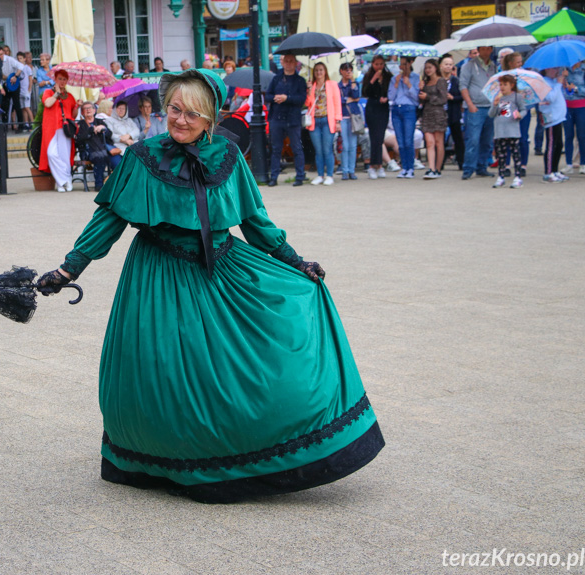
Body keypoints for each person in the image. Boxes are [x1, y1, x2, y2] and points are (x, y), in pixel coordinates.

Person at [34, 68, 383, 504]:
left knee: (254, 360)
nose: (180, 120)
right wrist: (69, 269)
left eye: (193, 114)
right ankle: (167, 458)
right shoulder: (141, 157)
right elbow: (109, 218)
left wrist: (294, 261)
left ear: (211, 117)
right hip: (159, 276)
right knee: (163, 367)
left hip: (222, 269)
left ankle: (240, 458)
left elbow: (254, 221)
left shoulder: (229, 158)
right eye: (174, 110)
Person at [266, 54, 308, 186]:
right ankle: (274, 177)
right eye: (286, 61)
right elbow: (267, 95)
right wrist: (276, 98)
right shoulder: (276, 79)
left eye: (291, 61)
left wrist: (287, 98)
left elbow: (301, 99)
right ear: (282, 63)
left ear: (296, 63)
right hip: (277, 118)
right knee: (276, 149)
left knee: (296, 148)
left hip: (293, 119)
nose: (289, 64)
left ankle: (300, 176)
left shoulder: (300, 80)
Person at [460, 45, 497, 180]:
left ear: (491, 50)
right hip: (475, 107)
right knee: (473, 139)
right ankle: (468, 168)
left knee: (487, 140)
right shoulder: (468, 66)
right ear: (479, 49)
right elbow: (463, 85)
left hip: (490, 106)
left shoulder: (494, 66)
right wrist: (469, 104)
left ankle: (482, 167)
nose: (486, 52)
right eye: (483, 49)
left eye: (488, 49)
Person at [305, 62, 342, 185]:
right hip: (315, 120)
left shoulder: (332, 85)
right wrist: (309, 90)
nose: (319, 73)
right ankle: (320, 175)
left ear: (325, 71)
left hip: (328, 120)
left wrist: (337, 120)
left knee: (327, 149)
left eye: (321, 70)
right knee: (318, 150)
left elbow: (337, 103)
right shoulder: (313, 86)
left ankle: (329, 175)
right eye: (316, 70)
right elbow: (307, 103)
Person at [41, 69, 77, 192]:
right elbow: (47, 103)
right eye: (60, 79)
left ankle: (61, 183)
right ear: (55, 79)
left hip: (65, 128)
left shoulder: (70, 96)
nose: (62, 81)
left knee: (65, 156)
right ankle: (65, 179)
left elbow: (73, 114)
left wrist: (78, 105)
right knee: (51, 153)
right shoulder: (48, 92)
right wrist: (56, 94)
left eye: (64, 79)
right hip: (51, 128)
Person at [488, 74, 527, 189]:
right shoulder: (497, 97)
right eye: (501, 84)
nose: (502, 87)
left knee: (515, 154)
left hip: (512, 130)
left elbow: (524, 109)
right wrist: (494, 105)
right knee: (501, 155)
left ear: (512, 85)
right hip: (500, 131)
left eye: (505, 85)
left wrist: (520, 115)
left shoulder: (516, 97)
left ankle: (518, 177)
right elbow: (491, 114)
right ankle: (501, 176)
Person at [387, 57, 420, 178]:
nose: (402, 67)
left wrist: (409, 85)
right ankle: (404, 167)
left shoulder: (415, 77)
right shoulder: (394, 78)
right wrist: (396, 83)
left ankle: (410, 167)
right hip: (396, 109)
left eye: (404, 64)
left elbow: (417, 98)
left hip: (409, 109)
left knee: (408, 140)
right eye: (400, 65)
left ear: (410, 64)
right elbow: (390, 96)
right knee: (400, 141)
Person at [75, 101, 119, 191]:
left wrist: (103, 129)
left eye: (90, 108)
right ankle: (99, 185)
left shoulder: (100, 122)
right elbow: (79, 139)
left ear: (94, 110)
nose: (88, 110)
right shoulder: (80, 124)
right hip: (88, 151)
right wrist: (91, 130)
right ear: (82, 112)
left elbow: (109, 135)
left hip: (105, 150)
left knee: (118, 162)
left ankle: (116, 184)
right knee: (100, 157)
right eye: (85, 109)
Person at [362, 55, 393, 179]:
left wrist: (386, 98)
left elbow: (391, 92)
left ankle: (379, 165)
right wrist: (373, 79)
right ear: (372, 64)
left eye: (381, 64)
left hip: (383, 108)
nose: (379, 67)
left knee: (380, 138)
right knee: (373, 137)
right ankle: (372, 166)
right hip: (372, 108)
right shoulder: (368, 76)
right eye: (376, 64)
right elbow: (365, 92)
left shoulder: (388, 76)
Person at [418, 58, 448, 180]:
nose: (428, 70)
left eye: (430, 67)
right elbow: (420, 100)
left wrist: (428, 96)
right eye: (426, 68)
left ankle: (438, 168)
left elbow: (443, 99)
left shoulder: (441, 81)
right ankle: (431, 168)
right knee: (429, 142)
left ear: (435, 68)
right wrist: (420, 90)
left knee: (438, 142)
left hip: (438, 114)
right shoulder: (425, 82)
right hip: (427, 114)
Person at [501, 52, 528, 176]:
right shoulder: (502, 76)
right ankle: (506, 165)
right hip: (506, 106)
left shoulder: (525, 75)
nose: (520, 64)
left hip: (521, 107)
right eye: (518, 62)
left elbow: (529, 91)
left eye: (521, 61)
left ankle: (523, 165)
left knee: (522, 137)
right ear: (511, 63)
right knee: (506, 136)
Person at [539, 67, 568, 183]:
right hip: (551, 117)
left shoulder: (554, 81)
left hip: (558, 117)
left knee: (559, 145)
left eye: (557, 68)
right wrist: (558, 84)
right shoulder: (544, 82)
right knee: (551, 145)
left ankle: (555, 170)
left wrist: (562, 83)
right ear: (546, 69)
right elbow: (550, 98)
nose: (556, 71)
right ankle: (548, 172)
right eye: (553, 69)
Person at [563, 59, 585, 175]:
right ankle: (568, 163)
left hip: (582, 106)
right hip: (567, 106)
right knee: (568, 135)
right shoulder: (564, 70)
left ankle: (583, 163)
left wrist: (575, 89)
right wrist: (563, 81)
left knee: (581, 135)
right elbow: (563, 91)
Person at [440, 55, 464, 171]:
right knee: (441, 139)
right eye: (446, 64)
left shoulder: (456, 81)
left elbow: (462, 96)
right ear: (441, 66)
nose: (448, 66)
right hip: (440, 113)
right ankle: (440, 163)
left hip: (454, 113)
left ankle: (461, 162)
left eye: (450, 64)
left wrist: (453, 98)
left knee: (458, 138)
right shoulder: (437, 80)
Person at [338, 62, 361, 180]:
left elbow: (357, 96)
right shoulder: (338, 86)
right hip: (342, 117)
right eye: (346, 70)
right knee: (345, 145)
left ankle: (352, 170)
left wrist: (352, 83)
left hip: (353, 117)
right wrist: (349, 99)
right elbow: (339, 100)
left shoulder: (354, 83)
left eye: (350, 70)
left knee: (353, 145)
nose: (348, 72)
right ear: (341, 71)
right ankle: (345, 170)